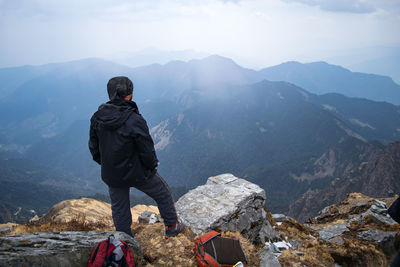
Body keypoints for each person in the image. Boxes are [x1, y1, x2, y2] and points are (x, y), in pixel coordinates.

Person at [89, 76, 184, 238]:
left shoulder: (97, 118)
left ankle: (125, 240)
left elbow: (94, 148)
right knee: (163, 193)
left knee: (120, 207)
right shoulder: (134, 119)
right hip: (138, 171)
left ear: (110, 94)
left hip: (112, 173)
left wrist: (108, 164)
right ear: (130, 95)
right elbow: (146, 149)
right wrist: (152, 166)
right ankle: (172, 226)